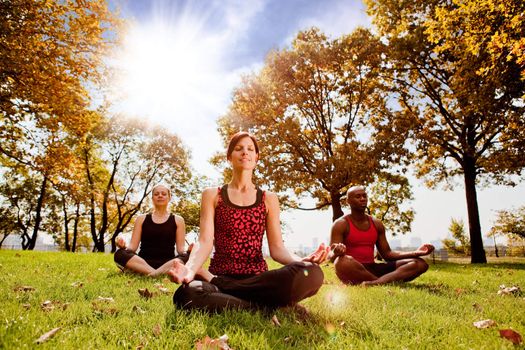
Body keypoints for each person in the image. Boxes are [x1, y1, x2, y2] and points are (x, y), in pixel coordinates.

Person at [168, 131, 329, 311]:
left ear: (257, 157)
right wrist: (190, 269)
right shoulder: (213, 195)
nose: (245, 152)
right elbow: (204, 241)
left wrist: (301, 261)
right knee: (187, 295)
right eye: (239, 148)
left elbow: (277, 249)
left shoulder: (269, 198)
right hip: (221, 275)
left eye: (250, 149)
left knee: (313, 273)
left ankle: (236, 297)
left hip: (258, 280)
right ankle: (264, 307)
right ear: (229, 157)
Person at [330, 185, 434, 286]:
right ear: (348, 201)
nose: (362, 199)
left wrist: (416, 253)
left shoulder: (376, 223)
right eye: (358, 196)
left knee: (420, 264)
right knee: (341, 262)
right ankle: (382, 282)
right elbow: (331, 255)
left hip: (374, 267)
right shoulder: (340, 224)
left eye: (364, 196)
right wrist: (336, 252)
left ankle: (376, 283)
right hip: (353, 268)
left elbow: (387, 254)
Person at [114, 184, 189, 277]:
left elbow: (181, 250)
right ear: (152, 198)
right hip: (143, 262)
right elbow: (132, 247)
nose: (160, 196)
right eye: (156, 194)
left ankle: (151, 274)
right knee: (120, 254)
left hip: (167, 263)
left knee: (189, 256)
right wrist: (123, 245)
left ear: (169, 198)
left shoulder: (178, 220)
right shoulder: (141, 219)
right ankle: (156, 274)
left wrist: (189, 250)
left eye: (164, 194)